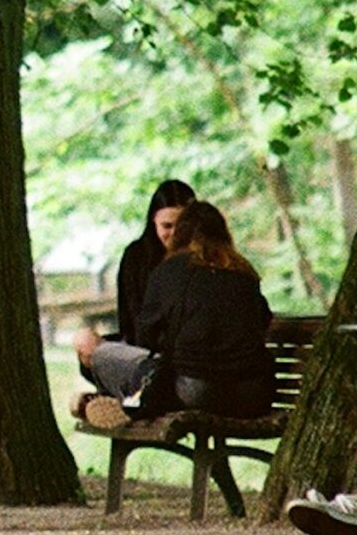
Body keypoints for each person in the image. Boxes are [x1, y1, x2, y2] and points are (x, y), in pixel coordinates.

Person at [74, 198, 271, 428]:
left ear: (181, 233)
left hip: (196, 392)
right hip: (253, 394)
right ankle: (125, 402)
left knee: (99, 353)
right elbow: (263, 319)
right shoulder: (244, 272)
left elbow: (146, 338)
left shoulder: (170, 270)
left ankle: (120, 402)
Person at [71, 179, 196, 389]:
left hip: (186, 355)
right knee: (88, 346)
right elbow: (132, 319)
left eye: (181, 226)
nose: (174, 235)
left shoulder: (204, 257)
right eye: (167, 226)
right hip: (143, 347)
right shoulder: (137, 257)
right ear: (153, 222)